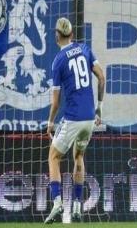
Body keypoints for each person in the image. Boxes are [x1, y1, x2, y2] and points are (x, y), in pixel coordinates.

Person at [44, 18, 106, 224]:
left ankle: (57, 203)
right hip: (89, 118)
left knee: (54, 156)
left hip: (72, 118)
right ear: (71, 34)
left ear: (57, 35)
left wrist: (50, 122)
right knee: (78, 156)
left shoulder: (58, 61)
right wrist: (99, 107)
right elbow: (102, 77)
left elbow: (56, 102)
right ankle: (78, 205)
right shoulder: (85, 49)